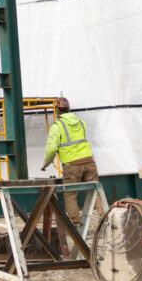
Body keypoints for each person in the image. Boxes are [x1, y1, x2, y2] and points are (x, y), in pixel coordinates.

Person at [40, 96, 98, 227]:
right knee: (96, 192)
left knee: (70, 195)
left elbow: (52, 149)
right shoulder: (81, 122)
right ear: (68, 108)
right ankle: (106, 221)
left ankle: (77, 226)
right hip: (89, 161)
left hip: (72, 165)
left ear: (57, 110)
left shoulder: (57, 126)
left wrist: (45, 164)